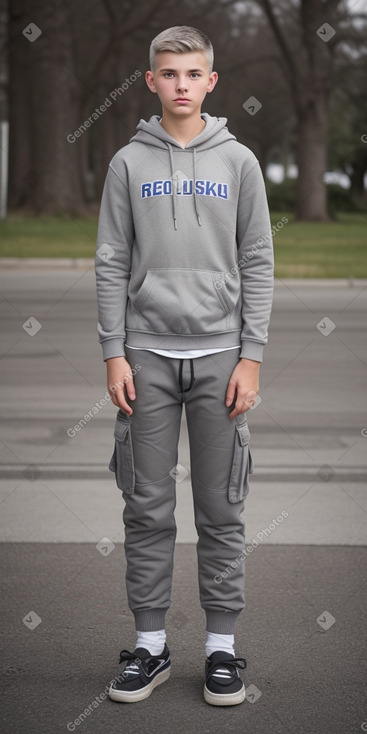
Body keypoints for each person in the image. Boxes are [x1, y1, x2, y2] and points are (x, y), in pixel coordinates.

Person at [94, 25, 274, 707]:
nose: (179, 84)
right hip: (144, 355)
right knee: (145, 507)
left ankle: (221, 652)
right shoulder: (126, 164)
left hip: (222, 357)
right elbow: (110, 261)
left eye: (191, 73)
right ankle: (150, 647)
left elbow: (257, 260)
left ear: (210, 82)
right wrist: (114, 350)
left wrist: (250, 357)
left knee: (221, 508)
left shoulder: (239, 162)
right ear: (150, 82)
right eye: (167, 73)